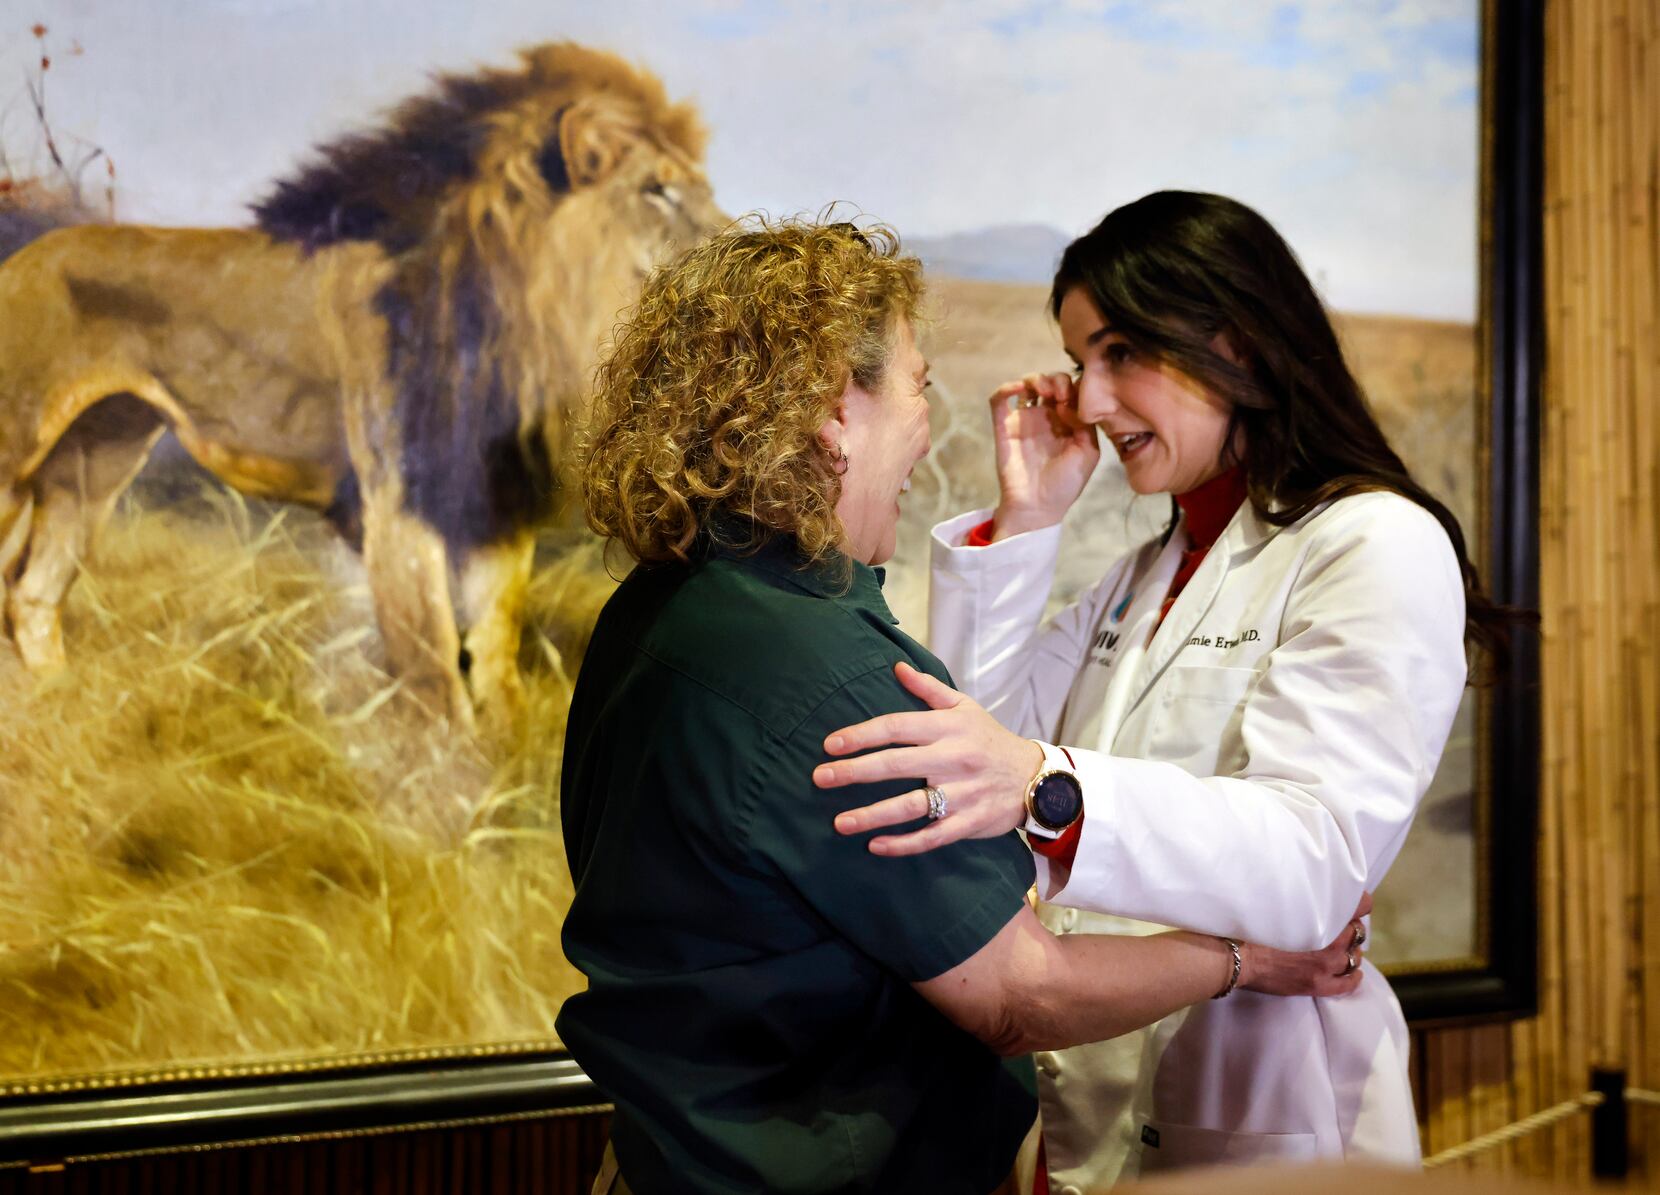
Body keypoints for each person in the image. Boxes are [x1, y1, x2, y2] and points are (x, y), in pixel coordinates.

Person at [557, 216, 1363, 1195]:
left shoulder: (664, 608)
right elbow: (1020, 993)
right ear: (829, 411)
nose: (929, 422)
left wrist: (1028, 523)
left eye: (1121, 355)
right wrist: (1245, 955)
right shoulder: (817, 671)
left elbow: (982, 743)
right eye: (917, 385)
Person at [820, 191, 1499, 1187]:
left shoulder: (1374, 542)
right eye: (1079, 362)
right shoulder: (1152, 566)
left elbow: (1315, 862)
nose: (1090, 402)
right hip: (1078, 1118)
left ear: (1236, 336)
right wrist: (1027, 522)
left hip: (1262, 1108)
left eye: (1120, 352)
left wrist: (1048, 787)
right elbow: (978, 756)